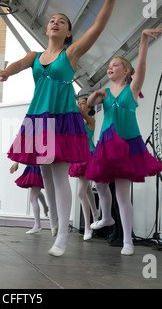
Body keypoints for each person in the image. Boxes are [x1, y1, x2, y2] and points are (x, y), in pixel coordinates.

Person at [0, 0, 122, 257]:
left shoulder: (71, 53)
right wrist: (7, 71)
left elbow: (98, 27)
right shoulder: (35, 56)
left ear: (68, 34)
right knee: (46, 176)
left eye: (61, 21)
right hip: (38, 120)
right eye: (52, 19)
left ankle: (62, 234)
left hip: (62, 120)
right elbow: (18, 64)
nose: (54, 22)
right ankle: (53, 222)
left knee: (60, 177)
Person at [85, 27, 162, 255]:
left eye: (115, 65)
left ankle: (128, 240)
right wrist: (96, 95)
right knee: (99, 183)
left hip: (128, 145)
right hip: (106, 144)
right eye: (109, 66)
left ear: (126, 71)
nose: (110, 68)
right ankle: (107, 217)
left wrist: (142, 38)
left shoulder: (132, 89)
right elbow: (90, 104)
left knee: (122, 193)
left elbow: (141, 65)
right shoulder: (106, 94)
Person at [69, 96, 99, 241]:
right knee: (86, 189)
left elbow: (82, 115)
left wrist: (74, 106)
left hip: (89, 156)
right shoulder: (77, 121)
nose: (80, 105)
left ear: (90, 107)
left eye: (83, 104)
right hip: (78, 157)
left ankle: (88, 227)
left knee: (81, 192)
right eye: (79, 103)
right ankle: (95, 213)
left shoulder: (91, 121)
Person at [10, 162, 48, 234]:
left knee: (33, 196)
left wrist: (16, 162)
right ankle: (45, 207)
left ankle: (38, 225)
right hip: (34, 166)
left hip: (38, 166)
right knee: (36, 192)